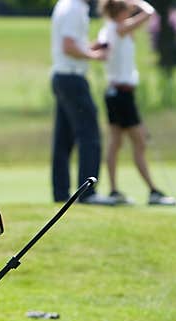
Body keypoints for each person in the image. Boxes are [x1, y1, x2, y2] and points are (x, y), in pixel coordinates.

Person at [97, 0, 176, 206]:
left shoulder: (108, 29)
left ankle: (114, 190)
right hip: (122, 95)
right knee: (140, 141)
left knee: (115, 143)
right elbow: (150, 12)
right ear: (120, 12)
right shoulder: (119, 28)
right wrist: (136, 1)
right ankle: (153, 191)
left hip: (114, 93)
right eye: (127, 9)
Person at [50, 0, 116, 205]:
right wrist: (95, 55)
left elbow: (72, 44)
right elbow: (68, 46)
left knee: (63, 139)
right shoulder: (75, 8)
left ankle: (60, 193)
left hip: (61, 77)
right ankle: (87, 193)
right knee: (90, 135)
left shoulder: (65, 4)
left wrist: (89, 48)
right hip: (73, 79)